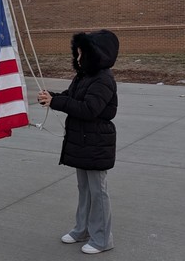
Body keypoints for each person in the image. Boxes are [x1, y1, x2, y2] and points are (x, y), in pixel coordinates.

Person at [37, 30, 119, 255]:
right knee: (84, 188)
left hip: (96, 142)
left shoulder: (104, 79)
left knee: (98, 191)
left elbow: (89, 109)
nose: (79, 58)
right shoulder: (83, 77)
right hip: (82, 141)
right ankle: (82, 229)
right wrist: (51, 97)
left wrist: (57, 102)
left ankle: (102, 238)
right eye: (78, 53)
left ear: (97, 55)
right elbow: (70, 97)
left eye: (83, 54)